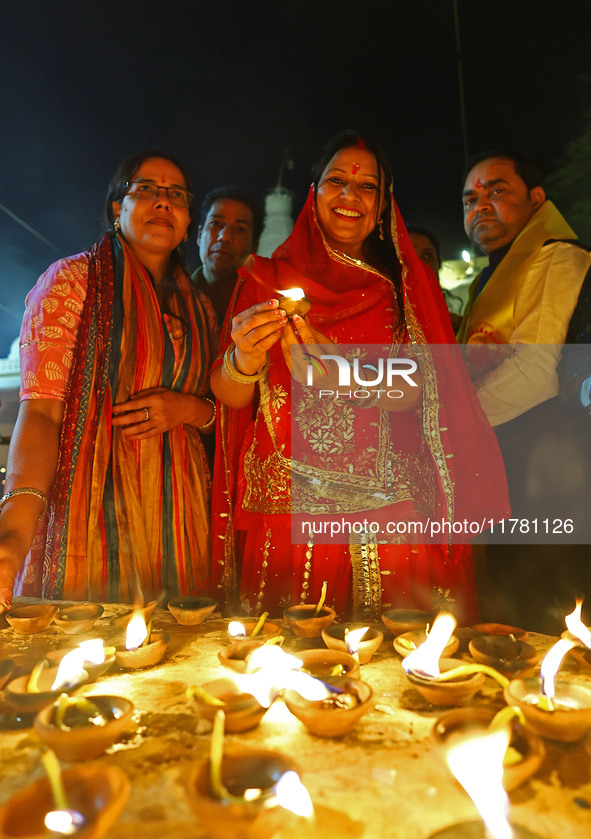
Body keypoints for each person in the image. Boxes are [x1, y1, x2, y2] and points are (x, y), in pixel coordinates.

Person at [210, 131, 509, 622]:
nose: (350, 195)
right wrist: (243, 360)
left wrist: (342, 379)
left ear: (383, 204)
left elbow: (425, 390)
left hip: (389, 508)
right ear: (313, 192)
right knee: (287, 668)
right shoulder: (264, 278)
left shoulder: (403, 287)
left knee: (401, 666)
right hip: (289, 509)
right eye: (336, 181)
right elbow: (230, 396)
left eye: (367, 186)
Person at [0, 149, 218, 611]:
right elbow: (40, 410)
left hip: (180, 514)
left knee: (178, 659)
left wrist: (188, 409)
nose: (163, 202)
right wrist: (13, 534)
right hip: (91, 510)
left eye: (176, 195)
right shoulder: (73, 280)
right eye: (147, 190)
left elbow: (220, 415)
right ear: (117, 208)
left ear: (186, 220)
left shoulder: (200, 306)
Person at [459, 148, 591, 632]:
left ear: (537, 199)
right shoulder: (487, 279)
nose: (481, 204)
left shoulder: (556, 255)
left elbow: (537, 374)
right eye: (471, 197)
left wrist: (449, 428)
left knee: (552, 621)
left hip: (551, 475)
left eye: (498, 190)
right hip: (505, 469)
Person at [193, 186, 263, 323]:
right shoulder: (171, 300)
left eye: (239, 229)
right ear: (200, 235)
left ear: (254, 247)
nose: (224, 236)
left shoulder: (263, 308)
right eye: (216, 223)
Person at [408, 227, 464, 332]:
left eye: (427, 255)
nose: (419, 264)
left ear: (438, 265)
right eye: (407, 255)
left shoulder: (458, 328)